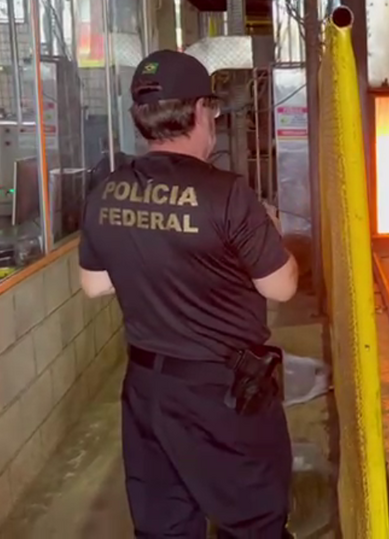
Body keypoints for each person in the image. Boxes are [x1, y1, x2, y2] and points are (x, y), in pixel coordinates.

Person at [78, 50, 299, 538]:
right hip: (222, 394)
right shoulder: (227, 194)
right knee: (254, 522)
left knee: (165, 527)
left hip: (147, 392)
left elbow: (95, 284)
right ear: (201, 111)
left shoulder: (107, 191)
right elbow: (281, 286)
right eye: (212, 110)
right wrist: (271, 235)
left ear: (141, 117)